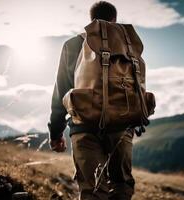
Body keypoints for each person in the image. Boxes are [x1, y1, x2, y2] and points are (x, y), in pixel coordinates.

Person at [48, 1, 135, 200]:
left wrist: (55, 132)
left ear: (90, 19)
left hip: (84, 127)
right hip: (121, 127)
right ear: (115, 19)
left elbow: (61, 90)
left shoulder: (73, 44)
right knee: (121, 187)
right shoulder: (128, 44)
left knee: (93, 191)